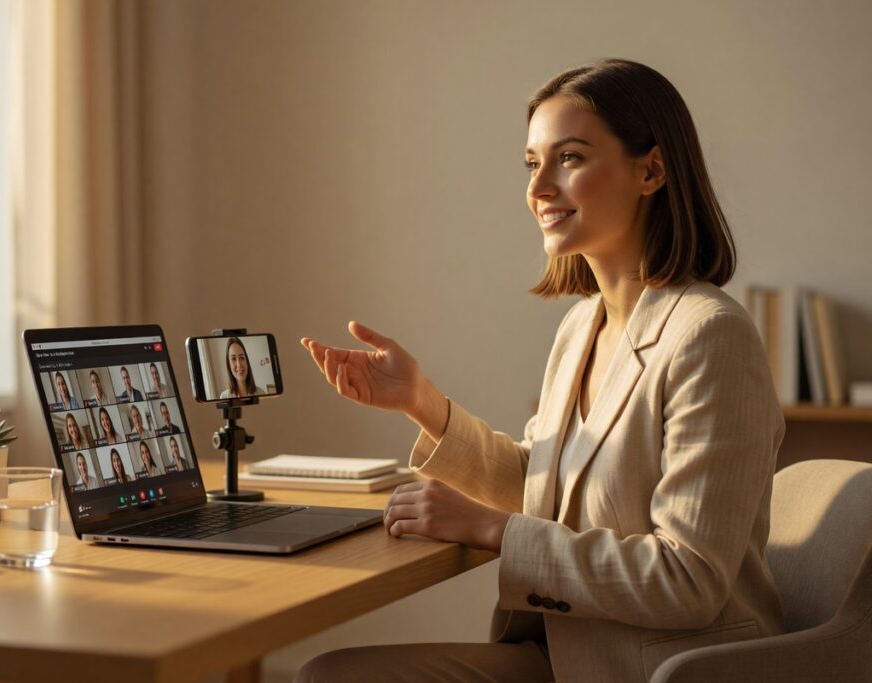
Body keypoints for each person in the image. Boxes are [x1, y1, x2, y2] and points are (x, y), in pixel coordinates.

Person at [297, 59, 785, 683]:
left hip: (657, 666)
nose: (539, 188)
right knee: (328, 675)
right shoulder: (582, 326)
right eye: (533, 163)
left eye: (570, 158)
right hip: (566, 654)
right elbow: (545, 487)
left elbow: (687, 581)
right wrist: (422, 403)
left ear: (652, 171)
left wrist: (493, 530)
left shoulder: (710, 336)